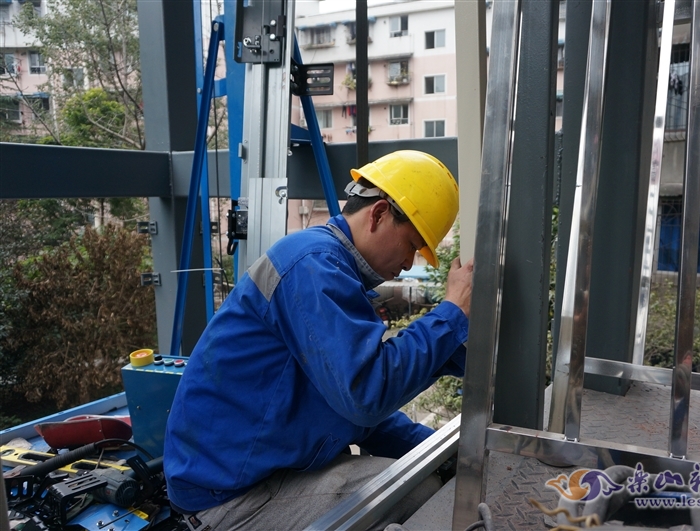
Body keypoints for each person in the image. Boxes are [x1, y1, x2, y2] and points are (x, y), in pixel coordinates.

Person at [163, 150, 474, 530]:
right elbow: (366, 393)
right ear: (378, 214)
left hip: (250, 475)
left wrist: (438, 450)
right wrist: (452, 313)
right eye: (412, 245)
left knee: (420, 475)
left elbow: (356, 416)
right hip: (231, 499)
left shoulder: (332, 268)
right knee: (422, 492)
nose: (410, 264)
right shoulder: (312, 266)